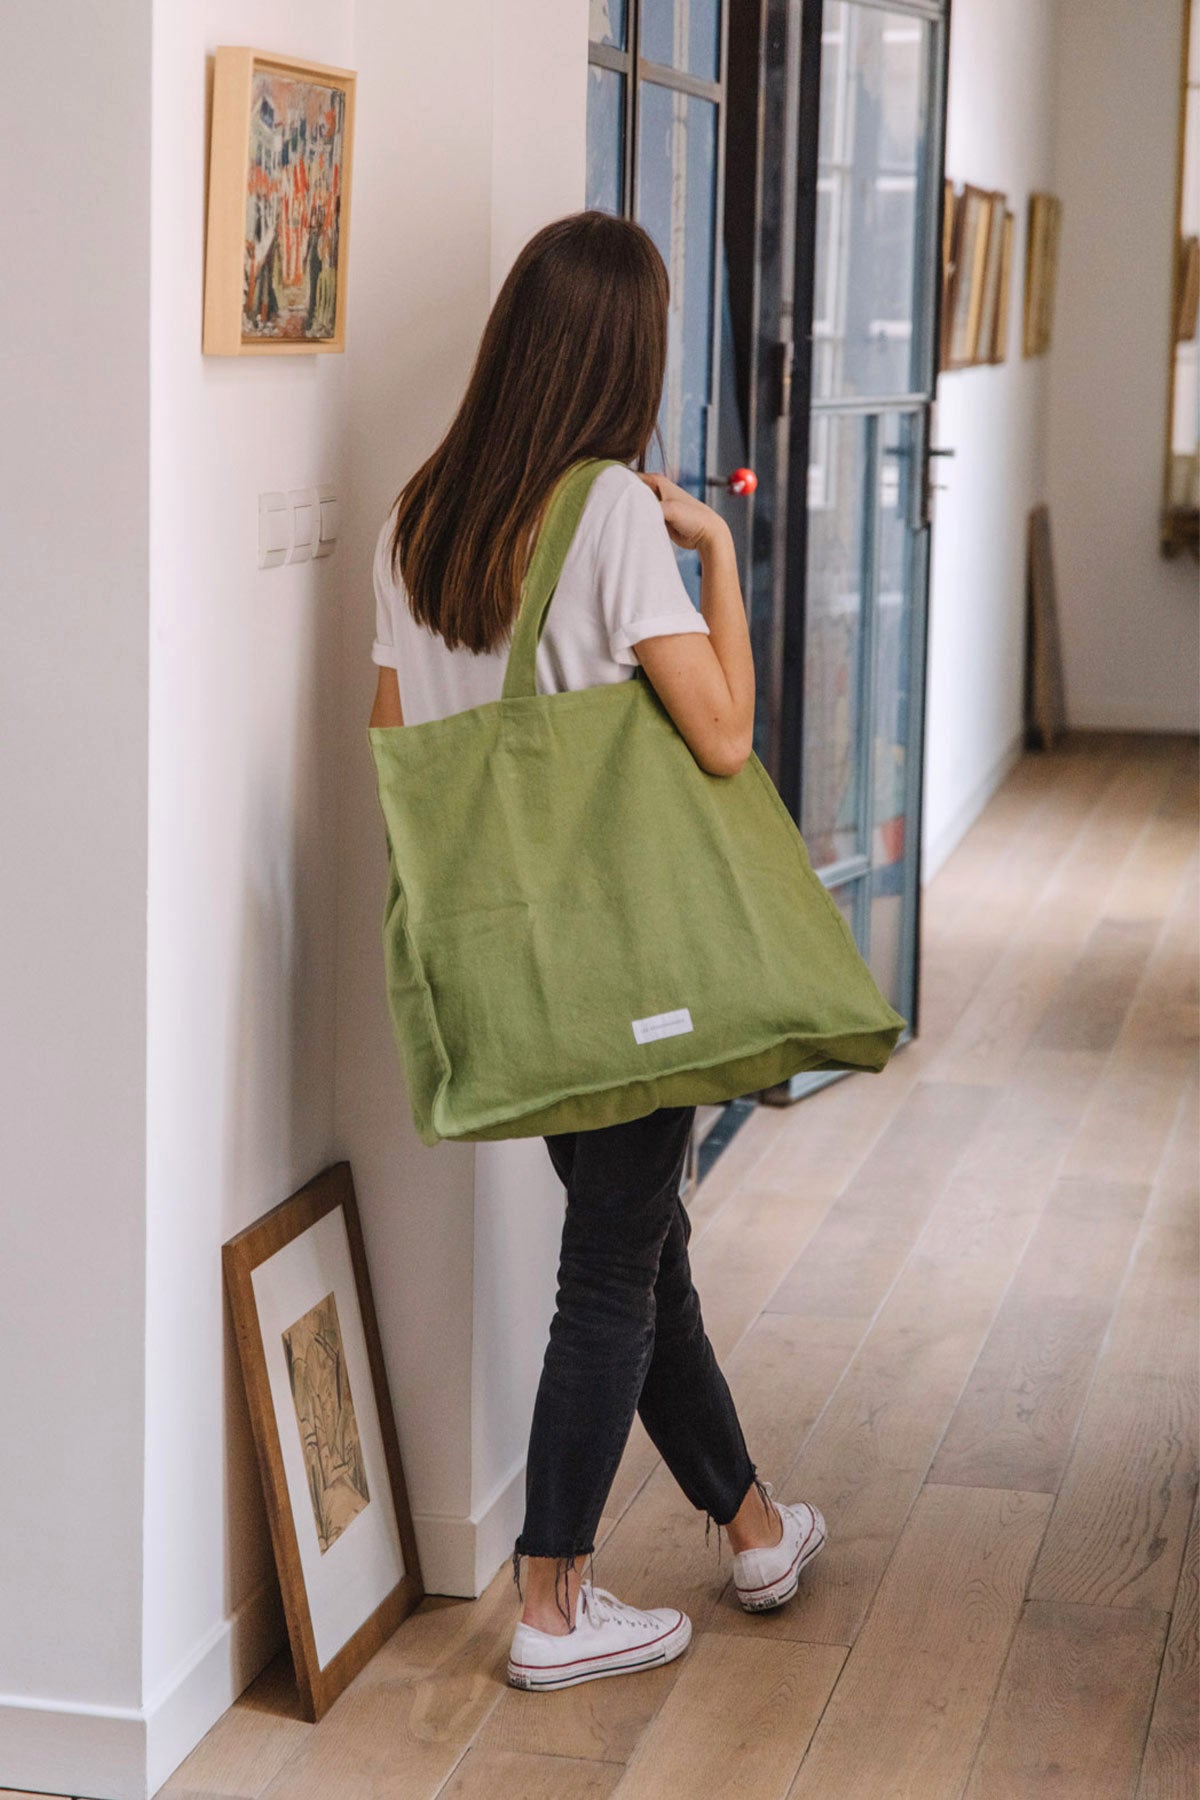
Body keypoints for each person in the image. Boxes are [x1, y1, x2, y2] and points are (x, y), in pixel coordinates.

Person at [368, 209, 826, 1694]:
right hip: (628, 958)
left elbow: (398, 752)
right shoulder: (615, 519)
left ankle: (753, 1526)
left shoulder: (418, 516)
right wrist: (718, 553)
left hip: (507, 961)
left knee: (641, 1244)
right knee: (612, 1269)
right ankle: (554, 1604)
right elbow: (722, 737)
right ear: (619, 357)